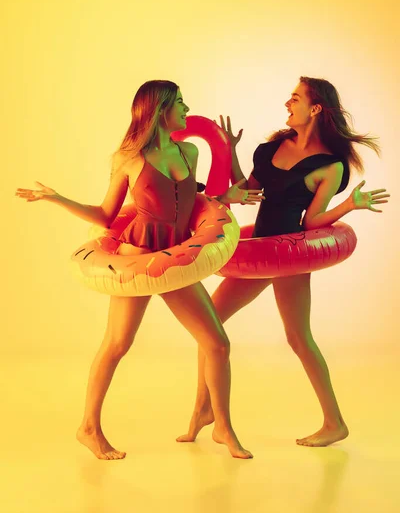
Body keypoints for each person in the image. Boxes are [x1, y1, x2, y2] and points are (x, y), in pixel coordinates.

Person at [15, 80, 264, 460]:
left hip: (176, 259)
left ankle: (222, 428)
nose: (186, 108)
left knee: (217, 344)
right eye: (180, 102)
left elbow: (191, 201)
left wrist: (224, 198)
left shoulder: (189, 151)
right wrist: (57, 198)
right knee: (117, 345)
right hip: (136, 259)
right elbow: (104, 215)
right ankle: (88, 428)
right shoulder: (128, 159)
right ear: (160, 109)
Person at [177, 76, 390, 448]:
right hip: (258, 251)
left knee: (298, 338)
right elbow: (251, 189)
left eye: (295, 98)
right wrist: (231, 152)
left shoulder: (331, 166)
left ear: (316, 108)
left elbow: (312, 221)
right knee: (209, 325)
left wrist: (350, 205)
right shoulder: (272, 147)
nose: (287, 104)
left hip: (289, 254)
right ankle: (203, 410)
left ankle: (334, 422)